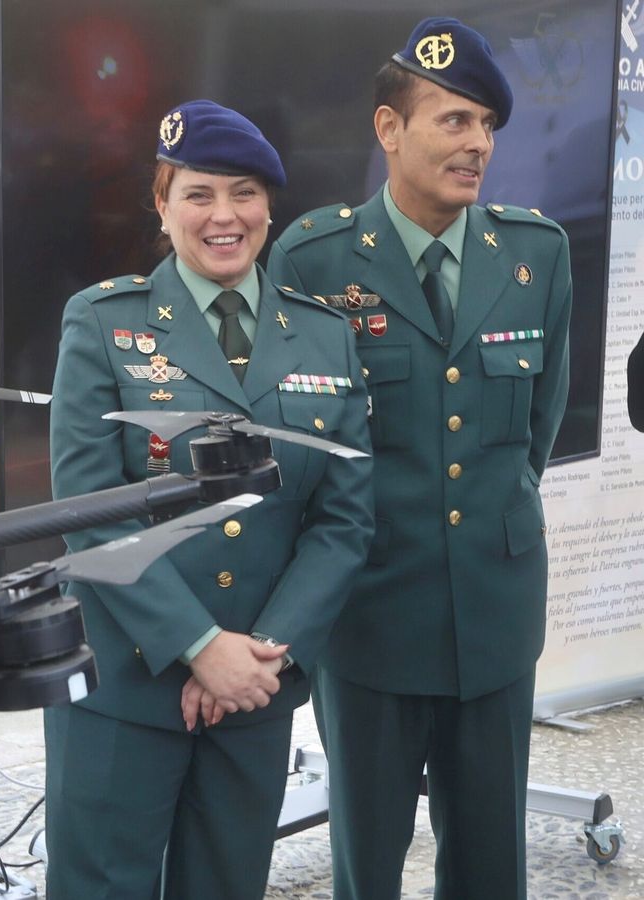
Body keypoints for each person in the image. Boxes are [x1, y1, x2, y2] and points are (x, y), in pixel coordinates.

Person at [267, 18, 571, 900]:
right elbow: (296, 449)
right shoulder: (316, 259)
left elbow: (534, 433)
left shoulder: (534, 254)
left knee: (489, 865)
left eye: (486, 125)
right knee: (368, 861)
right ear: (389, 130)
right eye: (454, 120)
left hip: (495, 611)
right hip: (370, 617)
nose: (476, 143)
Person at [47, 100, 373, 899]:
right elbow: (91, 513)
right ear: (162, 205)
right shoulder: (103, 323)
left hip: (256, 690)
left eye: (244, 193)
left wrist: (264, 652)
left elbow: (344, 518)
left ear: (270, 208)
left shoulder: (324, 335)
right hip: (124, 683)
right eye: (198, 193)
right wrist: (201, 646)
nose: (223, 215)